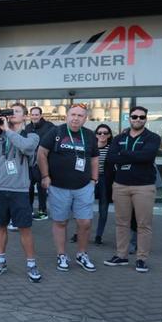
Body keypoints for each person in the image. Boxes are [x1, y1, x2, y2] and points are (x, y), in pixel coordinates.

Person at [0, 103, 42, 282]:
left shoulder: (31, 135)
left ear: (25, 117)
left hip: (19, 190)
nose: (12, 115)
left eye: (16, 112)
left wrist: (7, 131)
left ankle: (31, 264)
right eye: (10, 112)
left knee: (25, 229)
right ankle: (0, 261)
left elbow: (26, 148)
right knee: (0, 226)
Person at [37, 103, 99, 273]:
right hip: (58, 186)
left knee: (85, 222)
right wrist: (45, 176)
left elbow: (94, 159)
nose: (76, 118)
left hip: (84, 186)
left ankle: (82, 254)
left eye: (80, 115)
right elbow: (41, 153)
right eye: (73, 114)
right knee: (60, 222)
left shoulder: (89, 136)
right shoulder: (56, 132)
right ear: (67, 116)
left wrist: (94, 179)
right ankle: (61, 255)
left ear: (85, 119)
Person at [104, 106, 161, 273]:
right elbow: (111, 158)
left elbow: (147, 156)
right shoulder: (119, 138)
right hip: (120, 185)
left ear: (146, 119)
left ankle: (141, 259)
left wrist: (124, 153)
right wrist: (132, 155)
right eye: (134, 117)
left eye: (141, 117)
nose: (138, 120)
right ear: (129, 118)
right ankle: (121, 256)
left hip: (144, 187)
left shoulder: (153, 137)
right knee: (121, 223)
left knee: (144, 225)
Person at [71, 123, 114, 245]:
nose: (102, 135)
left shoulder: (111, 149)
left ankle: (99, 235)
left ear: (109, 135)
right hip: (89, 179)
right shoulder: (89, 147)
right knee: (83, 206)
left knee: (103, 208)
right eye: (99, 133)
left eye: (105, 133)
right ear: (96, 135)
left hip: (105, 180)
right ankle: (77, 233)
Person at [23, 106, 55, 220]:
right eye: (33, 114)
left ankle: (43, 211)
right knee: (29, 187)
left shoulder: (49, 127)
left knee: (42, 188)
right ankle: (29, 210)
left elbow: (54, 143)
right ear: (30, 116)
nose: (35, 116)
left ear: (41, 115)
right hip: (29, 163)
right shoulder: (27, 127)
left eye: (37, 114)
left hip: (43, 162)